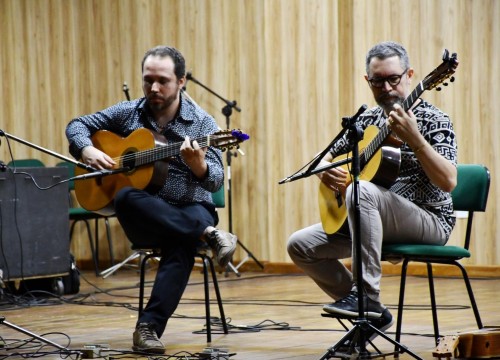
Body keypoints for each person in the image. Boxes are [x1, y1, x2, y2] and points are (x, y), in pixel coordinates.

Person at [66, 45, 238, 354]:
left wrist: (198, 165)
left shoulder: (203, 123)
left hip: (191, 207)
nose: (154, 88)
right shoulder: (128, 112)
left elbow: (214, 179)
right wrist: (86, 150)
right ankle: (209, 236)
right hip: (144, 215)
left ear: (181, 81)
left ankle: (148, 328)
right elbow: (77, 125)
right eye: (148, 80)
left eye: (163, 80)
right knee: (127, 197)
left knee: (181, 242)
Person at [287, 41, 457, 342]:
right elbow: (322, 157)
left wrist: (416, 140)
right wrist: (325, 168)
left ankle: (365, 299)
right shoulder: (366, 121)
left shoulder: (434, 120)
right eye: (378, 81)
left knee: (361, 191)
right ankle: (374, 316)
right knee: (300, 245)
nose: (387, 88)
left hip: (428, 219)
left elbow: (449, 182)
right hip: (374, 215)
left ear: (410, 75)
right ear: (368, 82)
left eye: (394, 78)